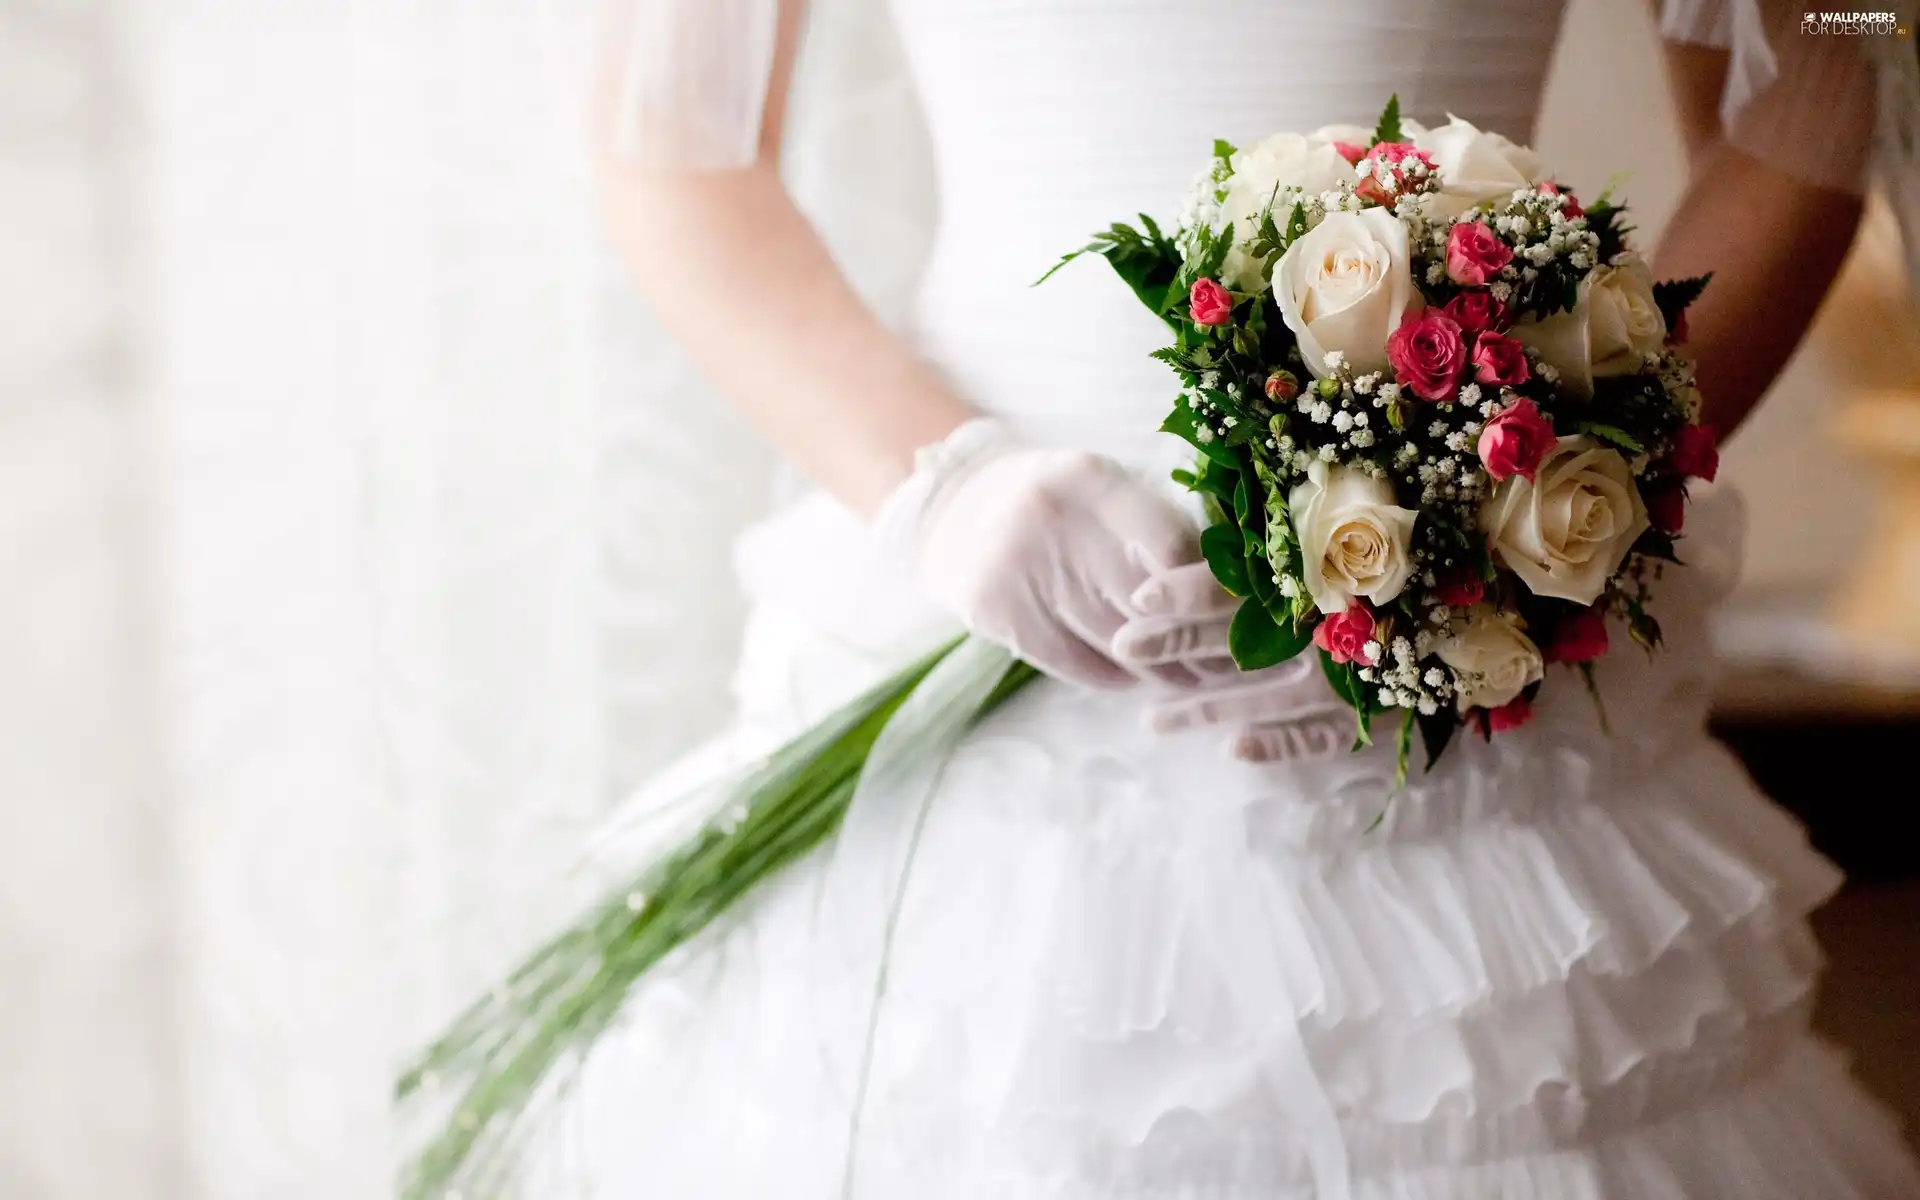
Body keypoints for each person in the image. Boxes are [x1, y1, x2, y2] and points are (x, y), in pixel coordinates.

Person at [529, 1, 1920, 1194]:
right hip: (972, 639)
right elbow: (672, 145)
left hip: (1462, 685)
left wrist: (1524, 515)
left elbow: (1836, 54)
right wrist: (943, 490)